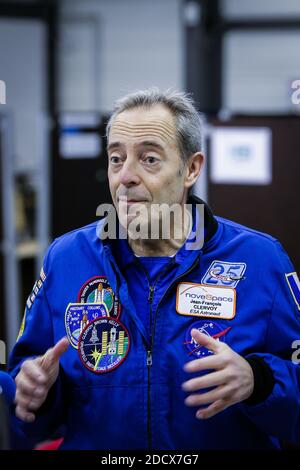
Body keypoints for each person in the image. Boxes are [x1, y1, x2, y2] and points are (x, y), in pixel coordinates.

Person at [9, 88, 300, 450]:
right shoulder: (66, 259)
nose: (125, 176)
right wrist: (33, 393)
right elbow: (26, 405)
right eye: (116, 158)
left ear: (191, 168)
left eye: (148, 159)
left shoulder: (260, 261)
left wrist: (260, 382)